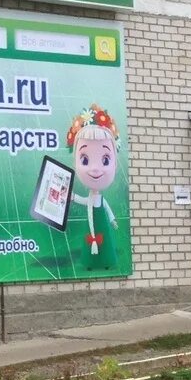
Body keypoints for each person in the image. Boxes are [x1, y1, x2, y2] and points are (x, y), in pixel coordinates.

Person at [67, 105, 121, 270]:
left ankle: (105, 261)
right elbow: (85, 201)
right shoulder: (91, 198)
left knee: (104, 242)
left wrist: (112, 220)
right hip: (92, 224)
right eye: (84, 160)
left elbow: (107, 208)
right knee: (90, 240)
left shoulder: (101, 199)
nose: (95, 169)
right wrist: (73, 197)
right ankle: (90, 262)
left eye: (105, 160)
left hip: (101, 223)